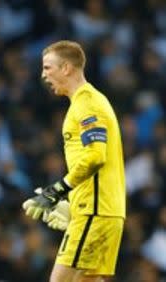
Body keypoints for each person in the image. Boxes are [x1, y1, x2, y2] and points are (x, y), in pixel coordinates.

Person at [22, 40, 126, 282]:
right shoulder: (86, 102)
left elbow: (95, 155)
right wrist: (75, 202)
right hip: (98, 209)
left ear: (66, 68)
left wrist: (58, 190)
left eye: (48, 67)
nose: (43, 75)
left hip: (96, 210)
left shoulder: (88, 103)